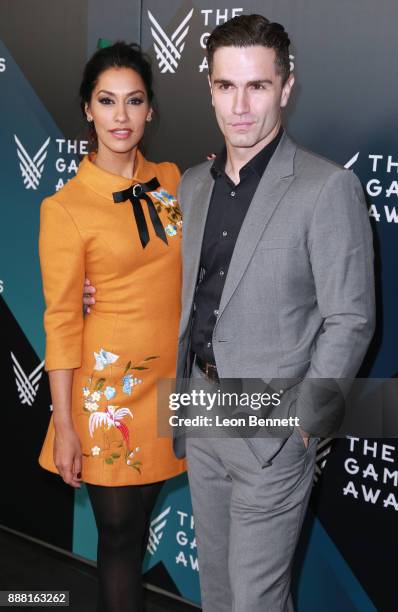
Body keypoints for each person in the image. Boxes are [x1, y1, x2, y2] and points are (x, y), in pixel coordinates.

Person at [83, 15, 375, 612]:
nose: (240, 106)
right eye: (225, 86)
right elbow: (160, 273)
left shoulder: (326, 188)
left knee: (255, 601)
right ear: (210, 88)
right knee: (216, 592)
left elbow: (351, 319)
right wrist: (95, 289)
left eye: (258, 86)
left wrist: (304, 427)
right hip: (202, 414)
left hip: (273, 431)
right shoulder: (191, 185)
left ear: (286, 88)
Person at [38, 42, 185, 612]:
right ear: (87, 110)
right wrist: (65, 422)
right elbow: (59, 322)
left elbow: (187, 263)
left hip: (172, 389)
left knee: (139, 528)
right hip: (110, 396)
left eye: (134, 101)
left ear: (150, 110)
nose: (120, 117)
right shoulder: (66, 208)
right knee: (121, 543)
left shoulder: (170, 181)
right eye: (107, 101)